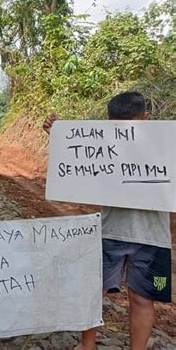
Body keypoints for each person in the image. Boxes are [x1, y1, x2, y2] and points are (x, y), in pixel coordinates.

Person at [43, 91, 172, 350]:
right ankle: (87, 346)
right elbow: (84, 161)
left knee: (142, 299)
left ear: (147, 119)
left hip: (152, 236)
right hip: (109, 230)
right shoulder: (106, 143)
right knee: (93, 290)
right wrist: (60, 138)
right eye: (115, 126)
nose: (122, 132)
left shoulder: (167, 145)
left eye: (130, 125)